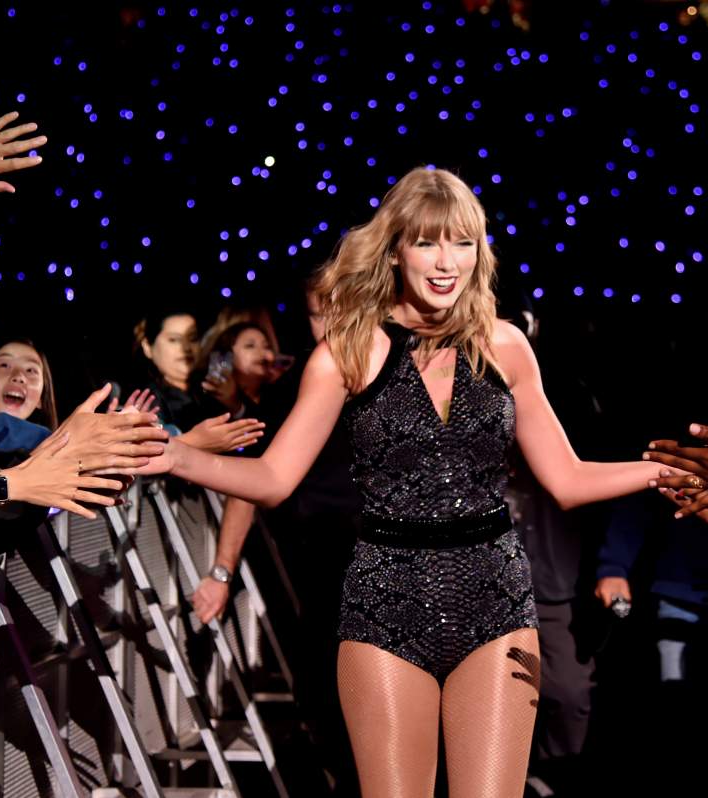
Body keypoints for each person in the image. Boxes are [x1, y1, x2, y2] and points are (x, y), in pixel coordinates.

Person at [131, 167, 666, 796]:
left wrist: (668, 471)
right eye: (428, 242)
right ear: (393, 250)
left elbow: (568, 479)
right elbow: (274, 478)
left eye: (462, 243)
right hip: (386, 606)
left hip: (495, 602)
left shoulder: (506, 346)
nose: (448, 262)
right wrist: (173, 455)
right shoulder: (346, 355)